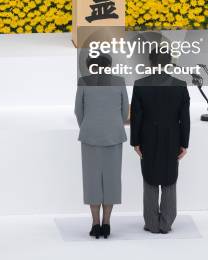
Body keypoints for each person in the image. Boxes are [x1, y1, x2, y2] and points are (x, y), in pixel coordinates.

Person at [130, 48, 190, 234]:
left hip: (147, 137)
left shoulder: (140, 84)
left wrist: (135, 141)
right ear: (169, 62)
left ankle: (151, 223)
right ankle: (166, 223)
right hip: (172, 137)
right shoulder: (180, 85)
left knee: (149, 179)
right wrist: (184, 143)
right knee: (170, 179)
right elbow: (184, 118)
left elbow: (136, 117)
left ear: (150, 62)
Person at [75, 54, 129, 239]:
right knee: (111, 181)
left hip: (90, 136)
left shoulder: (83, 82)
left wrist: (89, 126)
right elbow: (124, 111)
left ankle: (95, 224)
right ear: (110, 65)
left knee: (92, 182)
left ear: (90, 66)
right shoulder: (119, 81)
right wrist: (114, 124)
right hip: (113, 135)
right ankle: (107, 223)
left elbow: (78, 111)